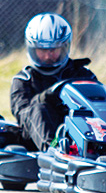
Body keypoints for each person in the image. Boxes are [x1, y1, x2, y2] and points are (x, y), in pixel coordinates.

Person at [10, 13, 98, 151]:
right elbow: (23, 115)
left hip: (81, 128)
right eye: (42, 50)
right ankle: (54, 152)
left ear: (64, 47)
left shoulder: (82, 74)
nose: (48, 56)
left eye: (53, 50)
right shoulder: (24, 80)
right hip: (41, 137)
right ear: (32, 48)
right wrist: (46, 96)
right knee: (39, 110)